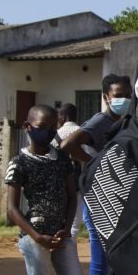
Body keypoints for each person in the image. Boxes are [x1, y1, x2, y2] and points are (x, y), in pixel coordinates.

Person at [5, 104, 119, 275]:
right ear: (27, 126)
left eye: (52, 127)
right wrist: (36, 236)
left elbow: (72, 196)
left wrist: (67, 230)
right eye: (41, 127)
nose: (47, 133)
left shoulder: (63, 160)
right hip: (35, 239)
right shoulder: (18, 163)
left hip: (62, 238)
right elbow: (11, 209)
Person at [61, 75, 136, 275]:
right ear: (106, 96)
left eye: (127, 94)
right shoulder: (99, 122)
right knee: (100, 267)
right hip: (97, 202)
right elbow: (69, 144)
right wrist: (95, 163)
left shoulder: (126, 121)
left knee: (115, 270)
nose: (124, 99)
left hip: (118, 201)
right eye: (118, 94)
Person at [54, 103, 83, 240]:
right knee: (75, 220)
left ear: (64, 117)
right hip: (78, 181)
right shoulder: (82, 132)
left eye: (59, 116)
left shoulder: (55, 135)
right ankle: (71, 245)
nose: (58, 119)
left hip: (58, 182)